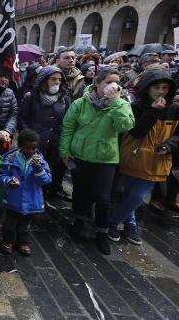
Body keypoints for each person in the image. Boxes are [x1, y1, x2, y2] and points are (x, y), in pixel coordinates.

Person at [60, 67, 135, 255]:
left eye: (116, 82)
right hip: (82, 154)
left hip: (106, 157)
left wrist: (116, 102)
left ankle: (101, 231)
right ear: (97, 83)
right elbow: (68, 126)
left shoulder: (121, 103)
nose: (113, 86)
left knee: (103, 197)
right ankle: (79, 220)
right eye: (108, 82)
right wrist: (64, 150)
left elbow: (125, 126)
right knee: (80, 192)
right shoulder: (80, 103)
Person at [108, 69, 179, 245]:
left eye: (165, 88)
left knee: (138, 196)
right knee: (130, 196)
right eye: (156, 87)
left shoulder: (175, 109)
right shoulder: (135, 106)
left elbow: (177, 135)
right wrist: (153, 112)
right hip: (133, 157)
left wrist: (169, 145)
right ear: (147, 88)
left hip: (156, 161)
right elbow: (136, 131)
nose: (161, 91)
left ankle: (112, 222)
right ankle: (131, 225)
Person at [19, 65, 71, 199]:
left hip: (55, 141)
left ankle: (49, 194)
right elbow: (22, 118)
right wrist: (29, 135)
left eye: (59, 80)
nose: (57, 82)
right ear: (44, 80)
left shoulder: (64, 99)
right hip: (35, 142)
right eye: (53, 79)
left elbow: (67, 121)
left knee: (52, 170)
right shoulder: (31, 96)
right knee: (34, 170)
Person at [0, 129, 51, 256]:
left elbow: (46, 180)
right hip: (13, 198)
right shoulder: (11, 159)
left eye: (34, 148)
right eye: (28, 148)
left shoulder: (41, 161)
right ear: (20, 146)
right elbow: (2, 175)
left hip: (31, 200)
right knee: (9, 223)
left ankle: (23, 242)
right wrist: (8, 180)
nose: (31, 151)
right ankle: (8, 241)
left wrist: (38, 168)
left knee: (25, 224)